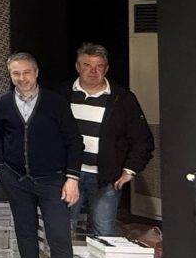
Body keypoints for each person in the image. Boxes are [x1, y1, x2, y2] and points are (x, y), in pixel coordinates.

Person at [0, 52, 83, 258]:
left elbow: (74, 141)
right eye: (16, 73)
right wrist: (1, 168)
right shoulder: (4, 103)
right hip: (17, 180)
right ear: (11, 75)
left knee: (59, 237)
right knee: (26, 232)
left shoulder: (55, 103)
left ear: (36, 72)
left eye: (26, 72)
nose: (22, 78)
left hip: (53, 180)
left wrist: (72, 178)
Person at [59, 43, 154, 237]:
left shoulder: (123, 98)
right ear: (77, 66)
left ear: (106, 68)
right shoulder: (61, 94)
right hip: (68, 176)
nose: (92, 71)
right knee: (62, 230)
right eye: (86, 65)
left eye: (99, 66)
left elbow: (142, 138)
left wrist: (130, 170)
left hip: (106, 179)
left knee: (104, 233)